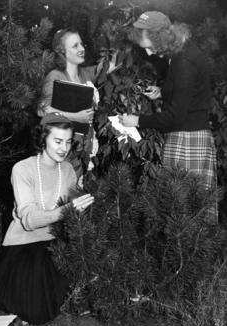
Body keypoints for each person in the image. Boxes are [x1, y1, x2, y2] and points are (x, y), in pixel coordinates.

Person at [0, 112, 95, 325]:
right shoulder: (23, 169)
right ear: (43, 138)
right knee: (38, 312)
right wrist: (67, 210)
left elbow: (75, 215)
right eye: (57, 141)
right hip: (25, 245)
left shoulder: (68, 170)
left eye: (67, 141)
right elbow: (29, 221)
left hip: (56, 243)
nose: (63, 148)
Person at [120, 11, 217, 219]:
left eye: (148, 46)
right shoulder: (180, 52)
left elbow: (175, 116)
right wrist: (162, 91)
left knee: (186, 216)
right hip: (188, 136)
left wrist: (137, 120)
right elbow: (189, 92)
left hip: (188, 140)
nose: (147, 53)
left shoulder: (184, 62)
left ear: (160, 38)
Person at [38, 28, 118, 177]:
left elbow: (110, 66)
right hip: (62, 149)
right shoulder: (55, 76)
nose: (82, 49)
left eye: (81, 45)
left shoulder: (84, 73)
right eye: (75, 46)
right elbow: (42, 110)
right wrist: (75, 116)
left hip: (82, 149)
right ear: (62, 51)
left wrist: (114, 41)